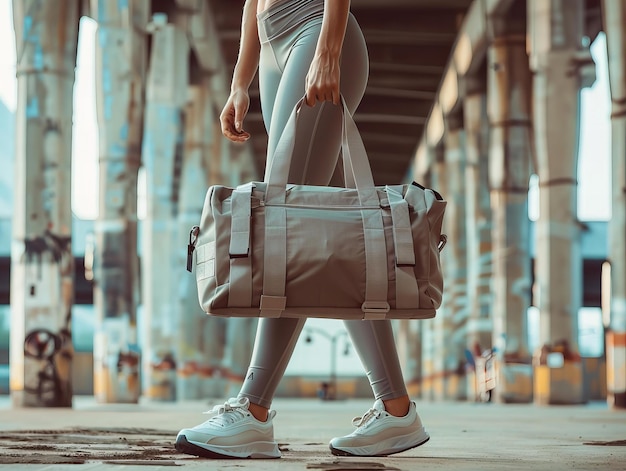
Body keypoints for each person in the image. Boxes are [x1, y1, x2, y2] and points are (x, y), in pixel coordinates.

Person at [175, 0, 430, 459]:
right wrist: (240, 82)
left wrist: (329, 50)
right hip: (275, 42)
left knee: (286, 232)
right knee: (314, 237)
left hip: (315, 25)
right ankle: (395, 408)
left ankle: (253, 410)